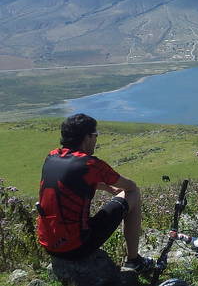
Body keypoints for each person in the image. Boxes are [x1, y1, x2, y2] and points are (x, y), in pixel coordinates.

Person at [36, 113, 154, 273]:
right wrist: (114, 188)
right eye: (95, 135)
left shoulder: (51, 156)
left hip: (48, 244)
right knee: (133, 193)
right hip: (77, 246)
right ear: (87, 137)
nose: (96, 140)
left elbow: (69, 181)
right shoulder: (90, 164)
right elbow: (129, 186)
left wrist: (105, 187)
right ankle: (134, 260)